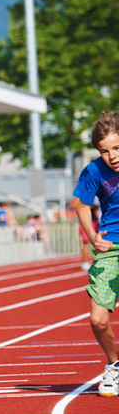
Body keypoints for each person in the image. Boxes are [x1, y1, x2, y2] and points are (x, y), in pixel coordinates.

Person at [72, 110, 119, 397]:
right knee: (98, 320)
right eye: (105, 151)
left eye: (117, 148)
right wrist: (92, 237)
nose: (112, 156)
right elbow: (81, 205)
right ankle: (115, 364)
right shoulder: (93, 172)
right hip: (110, 248)